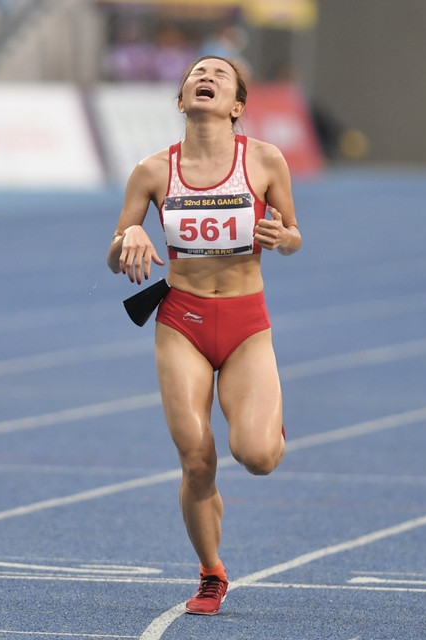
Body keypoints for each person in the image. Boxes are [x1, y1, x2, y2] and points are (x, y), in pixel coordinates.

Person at [106, 55, 301, 616]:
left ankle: (268, 419)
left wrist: (282, 237)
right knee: (196, 460)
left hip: (244, 323)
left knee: (257, 456)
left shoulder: (264, 161)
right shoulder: (152, 171)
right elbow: (116, 254)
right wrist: (130, 240)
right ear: (181, 99)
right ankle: (211, 572)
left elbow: (293, 234)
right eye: (196, 73)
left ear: (238, 104)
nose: (206, 78)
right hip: (182, 322)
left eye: (218, 74)